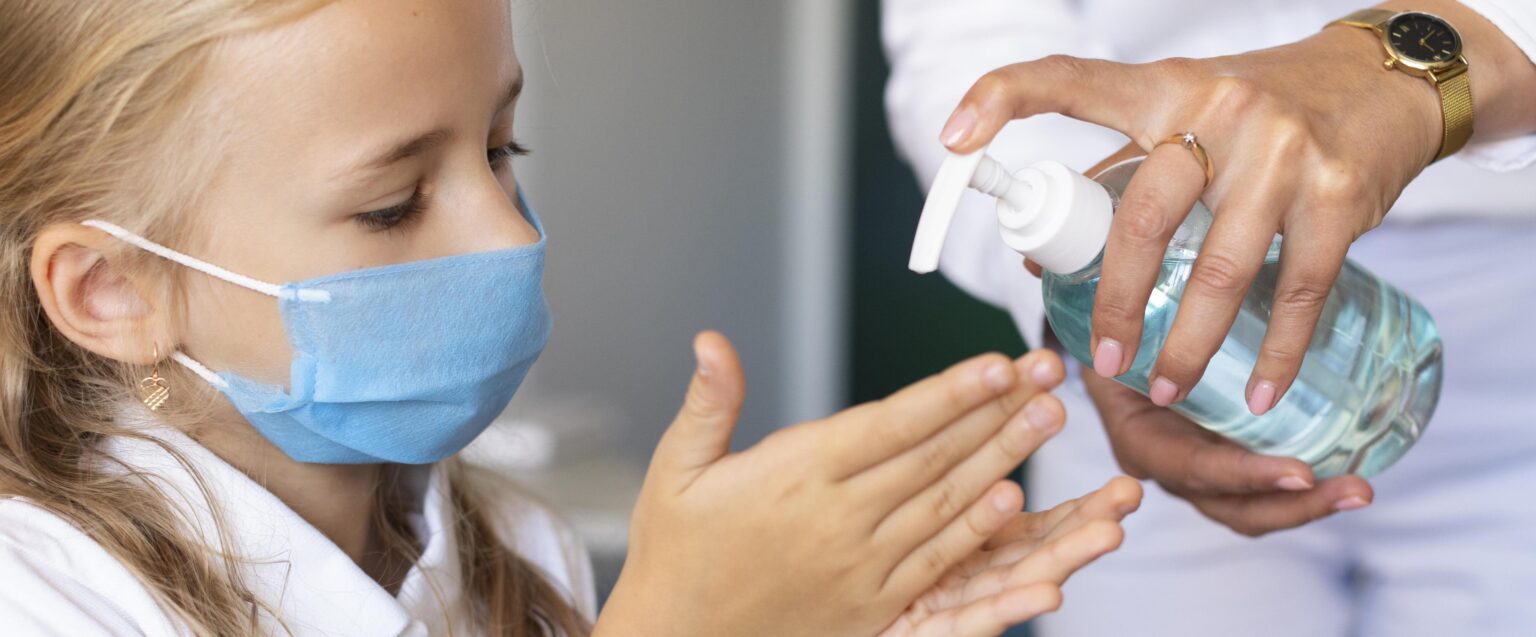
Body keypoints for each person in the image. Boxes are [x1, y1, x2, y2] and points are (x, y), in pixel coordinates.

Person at [0, 1, 1145, 635]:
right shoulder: (40, 602)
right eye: (391, 206)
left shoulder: (522, 553)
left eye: (503, 150)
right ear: (113, 290)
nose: (511, 234)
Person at [884, 0, 1536, 635]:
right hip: (1162, 390)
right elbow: (966, 28)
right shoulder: (1086, 300)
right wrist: (1115, 269)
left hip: (1506, 331)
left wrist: (1417, 56)